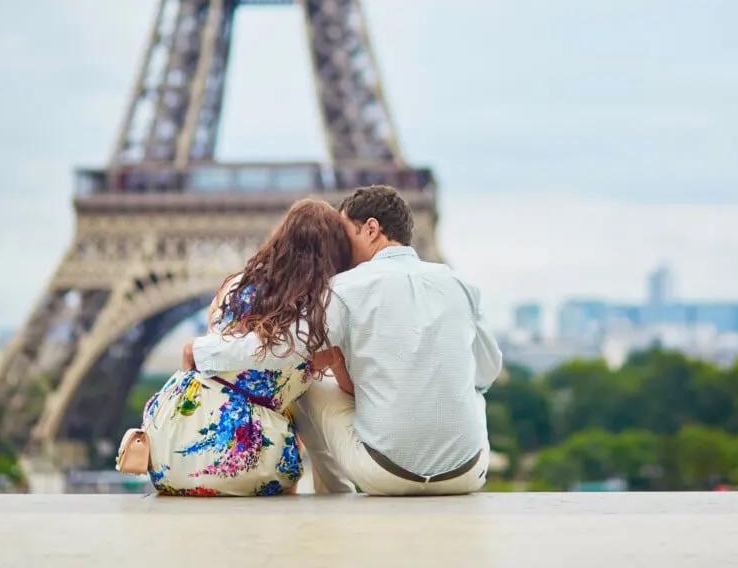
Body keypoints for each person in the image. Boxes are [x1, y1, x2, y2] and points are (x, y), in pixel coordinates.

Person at [192, 185, 502, 495]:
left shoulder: (344, 289)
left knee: (309, 381)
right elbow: (487, 371)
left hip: (383, 475)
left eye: (344, 233)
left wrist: (202, 350)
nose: (339, 246)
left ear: (370, 229)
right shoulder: (459, 284)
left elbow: (281, 350)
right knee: (473, 390)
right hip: (466, 476)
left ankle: (334, 492)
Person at [135, 199, 353, 496]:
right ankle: (337, 492)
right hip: (242, 458)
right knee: (298, 410)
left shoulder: (235, 285)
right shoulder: (314, 313)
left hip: (168, 448)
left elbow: (220, 347)